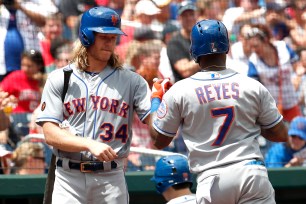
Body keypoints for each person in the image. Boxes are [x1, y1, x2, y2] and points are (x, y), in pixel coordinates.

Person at [149, 19, 289, 204]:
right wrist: (250, 122)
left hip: (213, 179)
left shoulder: (180, 90)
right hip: (251, 172)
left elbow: (159, 140)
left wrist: (156, 100)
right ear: (227, 48)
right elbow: (281, 134)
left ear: (193, 51)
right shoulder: (251, 85)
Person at [36, 7, 152, 204]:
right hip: (68, 178)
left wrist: (161, 104)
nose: (110, 42)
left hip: (111, 178)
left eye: (114, 37)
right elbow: (50, 133)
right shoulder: (60, 78)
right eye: (104, 36)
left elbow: (158, 125)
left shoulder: (132, 81)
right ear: (87, 36)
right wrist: (89, 143)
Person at [166, 0, 200, 82]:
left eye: (191, 14)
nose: (189, 18)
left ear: (197, 16)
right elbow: (185, 71)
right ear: (179, 18)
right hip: (185, 89)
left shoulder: (202, 37)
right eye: (185, 15)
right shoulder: (174, 42)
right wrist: (207, 57)